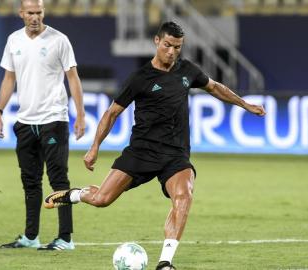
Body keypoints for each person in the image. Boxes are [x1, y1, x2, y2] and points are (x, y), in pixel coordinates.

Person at [44, 21, 266, 268]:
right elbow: (111, 113)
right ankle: (75, 194)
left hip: (175, 155)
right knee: (101, 199)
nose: (172, 52)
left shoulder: (187, 71)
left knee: (184, 195)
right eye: (168, 45)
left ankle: (165, 263)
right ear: (157, 42)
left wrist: (245, 104)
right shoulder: (140, 78)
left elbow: (215, 88)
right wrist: (95, 147)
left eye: (177, 47)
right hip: (141, 152)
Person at [0, 0, 85, 251]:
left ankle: (65, 238)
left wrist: (81, 115)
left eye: (39, 12)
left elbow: (72, 78)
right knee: (30, 181)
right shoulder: (14, 40)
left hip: (53, 120)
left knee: (58, 179)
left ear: (44, 13)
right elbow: (9, 78)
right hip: (25, 122)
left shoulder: (59, 40)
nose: (35, 17)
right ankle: (31, 236)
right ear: (21, 13)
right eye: (30, 13)